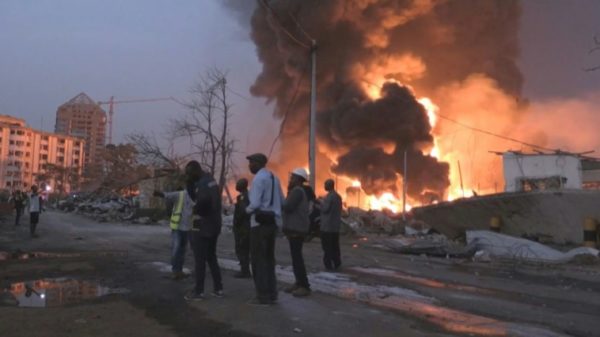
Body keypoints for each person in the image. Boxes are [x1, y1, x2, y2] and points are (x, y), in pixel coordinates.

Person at [245, 153, 284, 305]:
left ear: (259, 163)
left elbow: (254, 204)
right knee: (268, 260)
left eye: (251, 162)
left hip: (259, 226)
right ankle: (272, 293)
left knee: (258, 261)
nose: (249, 166)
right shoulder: (275, 178)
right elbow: (282, 201)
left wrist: (245, 210)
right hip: (271, 224)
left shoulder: (258, 179)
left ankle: (262, 296)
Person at [184, 160, 224, 301]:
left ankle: (198, 291)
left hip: (203, 226)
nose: (188, 176)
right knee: (211, 257)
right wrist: (189, 184)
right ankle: (218, 288)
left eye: (189, 173)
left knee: (199, 259)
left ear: (195, 171)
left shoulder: (202, 184)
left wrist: (196, 210)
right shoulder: (210, 180)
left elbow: (203, 200)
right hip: (214, 225)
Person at [153, 186, 195, 280]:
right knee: (176, 250)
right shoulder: (180, 194)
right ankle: (175, 271)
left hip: (188, 228)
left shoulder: (196, 196)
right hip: (178, 227)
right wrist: (158, 193)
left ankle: (178, 271)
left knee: (182, 250)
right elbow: (166, 195)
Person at [282, 168, 311, 297]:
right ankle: (298, 282)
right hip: (295, 228)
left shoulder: (297, 191)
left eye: (293, 177)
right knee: (295, 258)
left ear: (299, 179)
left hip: (297, 229)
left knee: (297, 258)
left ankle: (304, 286)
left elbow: (288, 206)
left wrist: (279, 202)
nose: (290, 179)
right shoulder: (296, 191)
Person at [320, 179, 343, 270]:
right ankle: (337, 262)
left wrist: (320, 204)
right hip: (335, 226)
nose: (324, 186)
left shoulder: (329, 197)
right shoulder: (338, 196)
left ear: (329, 185)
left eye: (325, 184)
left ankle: (328, 264)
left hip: (327, 227)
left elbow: (326, 209)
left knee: (327, 247)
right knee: (335, 246)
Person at [233, 178, 252, 278]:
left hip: (243, 227)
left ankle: (245, 271)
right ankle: (244, 269)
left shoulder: (243, 197)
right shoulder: (244, 196)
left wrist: (237, 222)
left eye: (238, 183)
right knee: (243, 248)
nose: (236, 185)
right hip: (244, 226)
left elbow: (242, 211)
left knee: (242, 248)